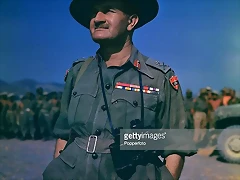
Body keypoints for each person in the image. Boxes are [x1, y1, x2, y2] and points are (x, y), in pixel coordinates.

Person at [43, 0, 196, 179]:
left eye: (108, 11)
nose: (97, 18)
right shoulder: (78, 72)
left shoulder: (158, 78)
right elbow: (64, 134)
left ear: (131, 22)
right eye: (94, 12)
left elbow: (175, 143)